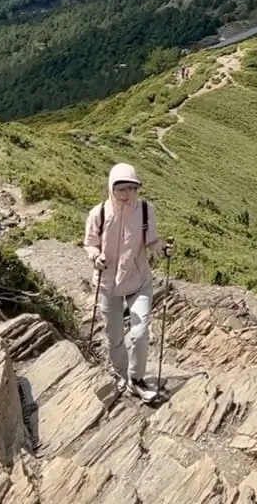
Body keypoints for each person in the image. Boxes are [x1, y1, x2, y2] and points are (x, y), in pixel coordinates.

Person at [83, 162, 174, 402]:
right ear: (111, 188)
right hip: (108, 284)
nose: (125, 195)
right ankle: (121, 374)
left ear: (137, 189)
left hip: (139, 280)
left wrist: (162, 249)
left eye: (131, 189)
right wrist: (95, 256)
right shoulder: (99, 214)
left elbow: (152, 242)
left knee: (140, 331)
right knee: (114, 336)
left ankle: (136, 379)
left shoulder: (145, 211)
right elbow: (90, 243)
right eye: (120, 189)